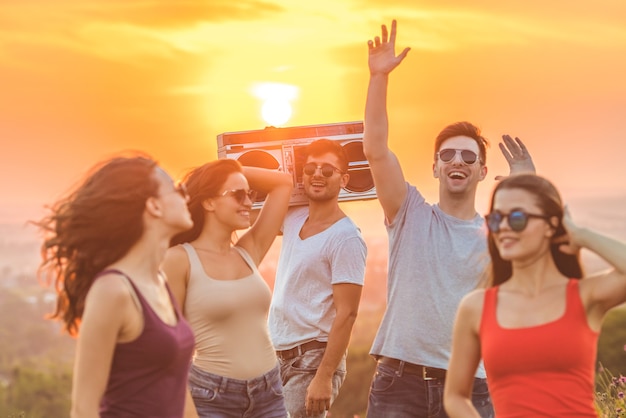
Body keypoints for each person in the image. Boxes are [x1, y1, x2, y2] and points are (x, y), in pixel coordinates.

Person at [362, 20, 536, 417]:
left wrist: (529, 185)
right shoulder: (410, 212)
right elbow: (375, 150)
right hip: (398, 382)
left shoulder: (497, 232)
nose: (458, 160)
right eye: (448, 155)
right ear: (436, 167)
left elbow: (544, 254)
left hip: (470, 387)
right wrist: (377, 78)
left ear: (481, 171)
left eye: (469, 157)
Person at [444, 174, 626, 417]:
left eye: (517, 218)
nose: (505, 227)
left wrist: (581, 235)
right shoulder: (476, 307)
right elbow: (455, 396)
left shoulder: (584, 295)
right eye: (497, 219)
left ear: (551, 225)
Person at [36, 155, 197, 418]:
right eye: (178, 189)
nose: (186, 197)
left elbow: (177, 390)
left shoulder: (159, 281)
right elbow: (83, 409)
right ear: (154, 206)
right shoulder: (113, 290)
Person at [161, 158, 293, 417]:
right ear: (209, 202)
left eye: (250, 194)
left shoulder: (248, 251)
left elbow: (282, 183)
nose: (248, 202)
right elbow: (168, 348)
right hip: (211, 398)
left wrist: (230, 171)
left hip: (270, 393)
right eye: (238, 195)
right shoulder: (179, 259)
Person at [267, 139, 367, 417]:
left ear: (344, 179)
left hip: (313, 359)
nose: (318, 175)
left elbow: (347, 313)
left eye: (328, 170)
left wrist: (324, 376)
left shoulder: (346, 237)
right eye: (310, 169)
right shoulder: (293, 218)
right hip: (277, 355)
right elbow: (255, 208)